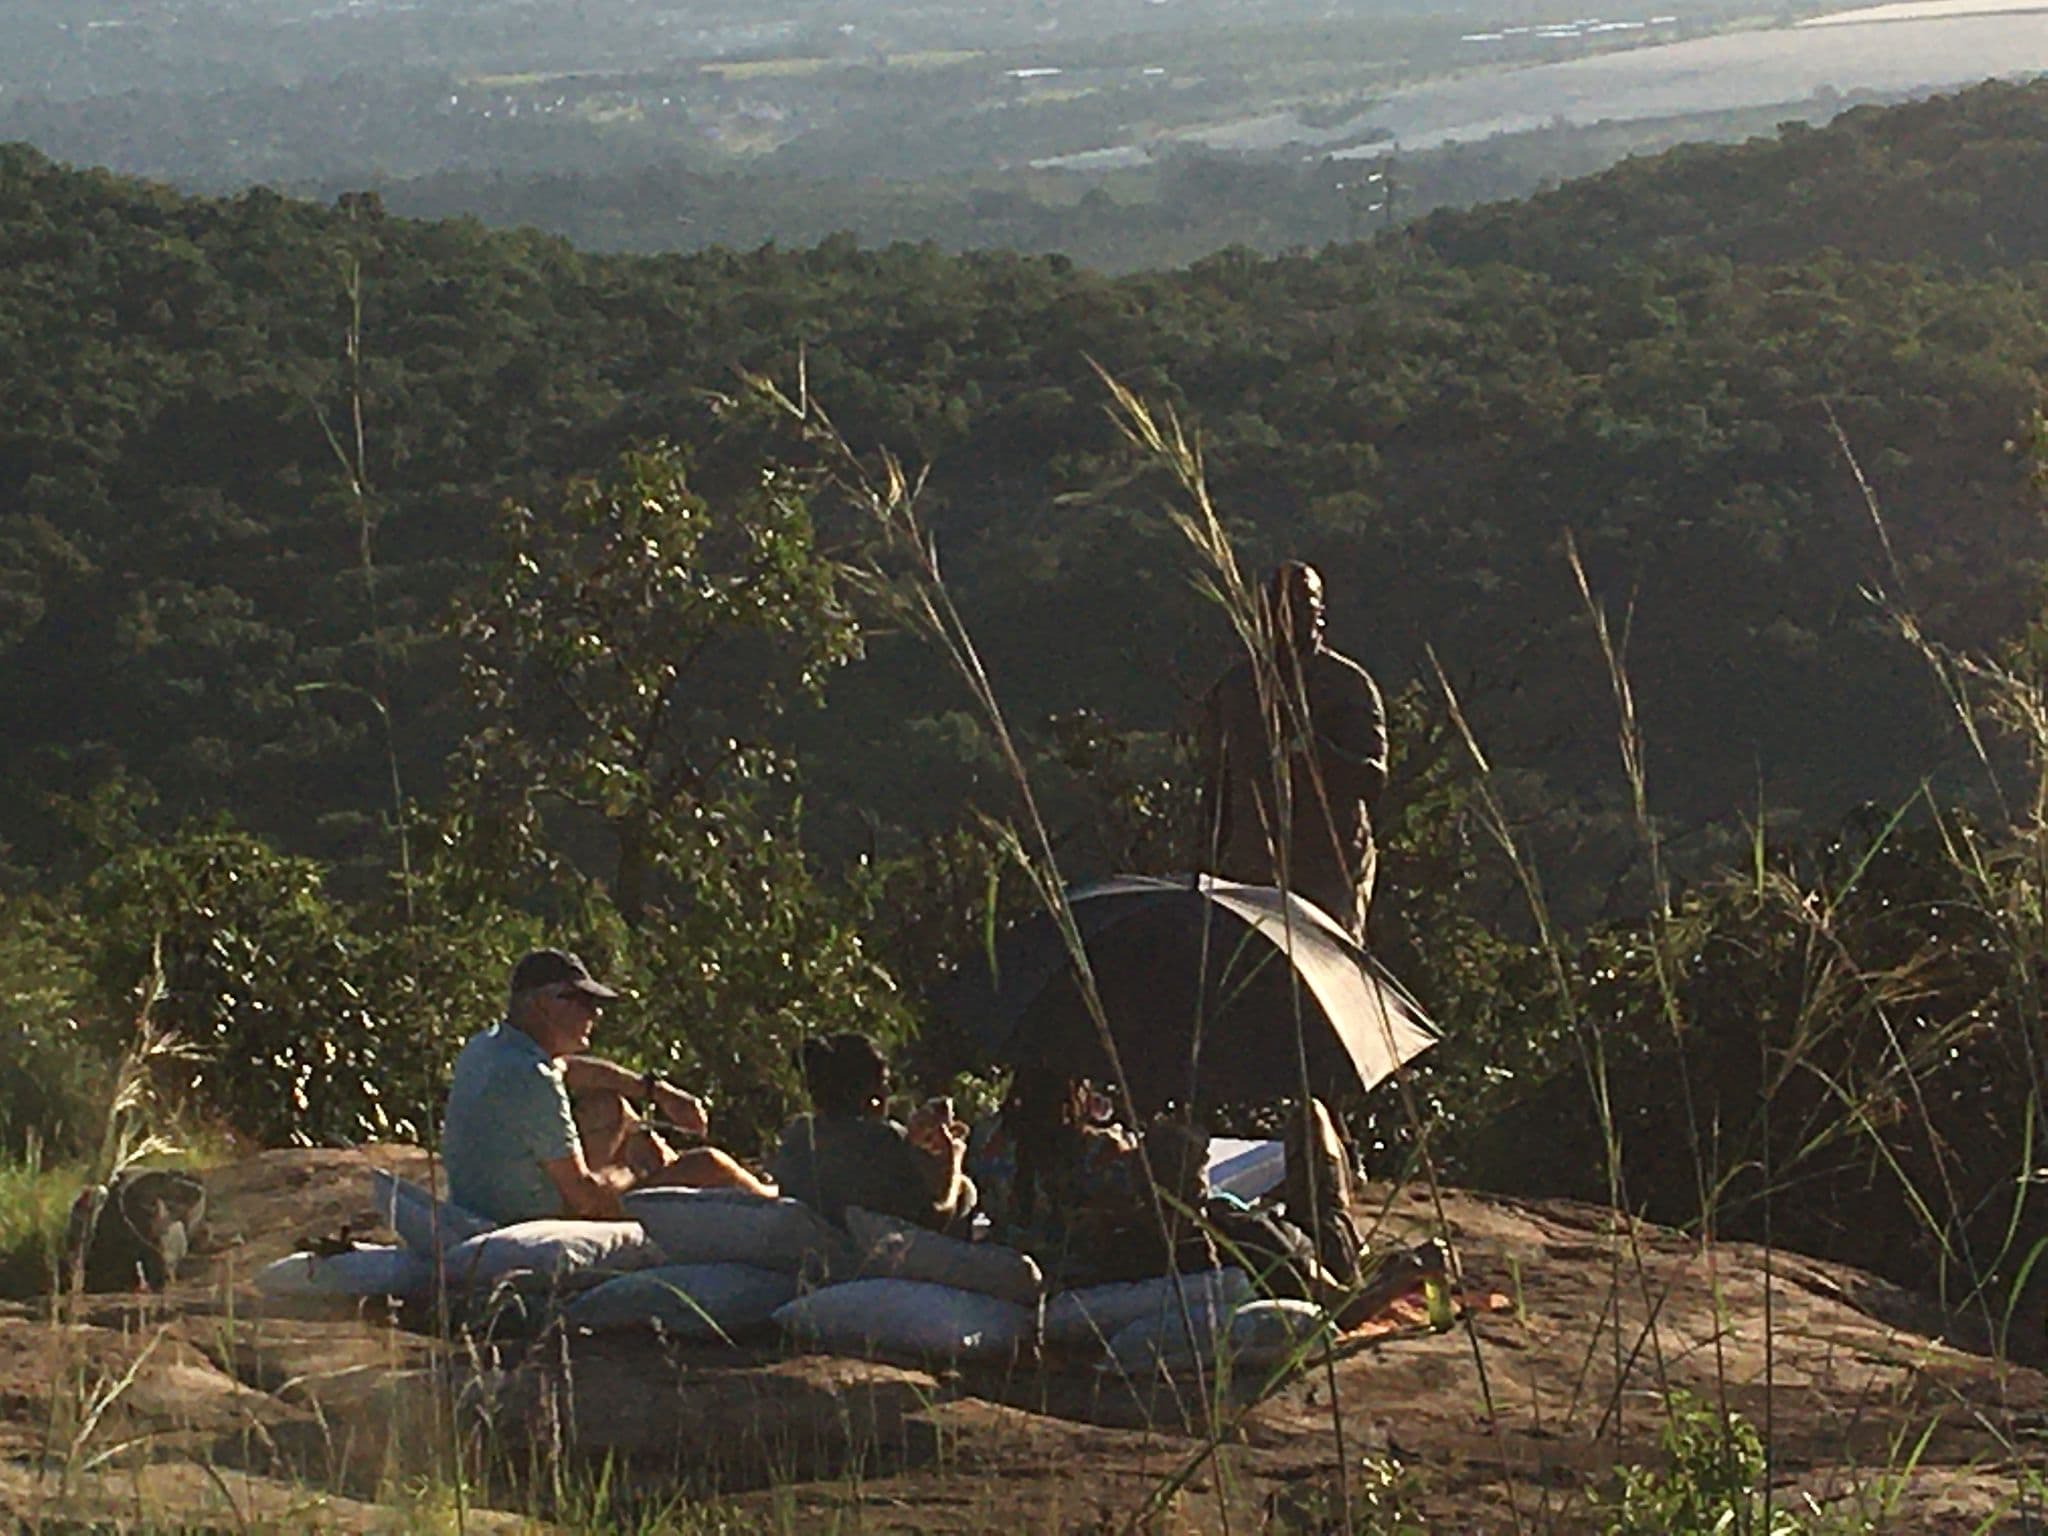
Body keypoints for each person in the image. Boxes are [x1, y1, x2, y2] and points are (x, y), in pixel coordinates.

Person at [441, 948, 772, 1225]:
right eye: (582, 1002)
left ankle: (682, 1162)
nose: (595, 1014)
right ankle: (774, 1203)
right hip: (537, 1217)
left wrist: (656, 1090)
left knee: (606, 1104)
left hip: (484, 1202)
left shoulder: (488, 1047)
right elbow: (587, 1201)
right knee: (708, 1163)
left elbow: (572, 1070)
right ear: (544, 1004)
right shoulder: (532, 1078)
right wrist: (632, 1171)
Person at [1198, 560, 1388, 942]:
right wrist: (1203, 872)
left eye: (1301, 605)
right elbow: (1216, 784)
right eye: (1278, 605)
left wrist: (1311, 751)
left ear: (1320, 616)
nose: (1287, 616)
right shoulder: (1237, 689)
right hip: (1249, 870)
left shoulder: (1346, 685)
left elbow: (1372, 779)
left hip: (1328, 874)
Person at [769, 1032, 975, 1231]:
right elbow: (934, 1220)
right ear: (872, 1093)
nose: (888, 1092)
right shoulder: (883, 1142)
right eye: (885, 1083)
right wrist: (953, 1158)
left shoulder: (798, 1135)